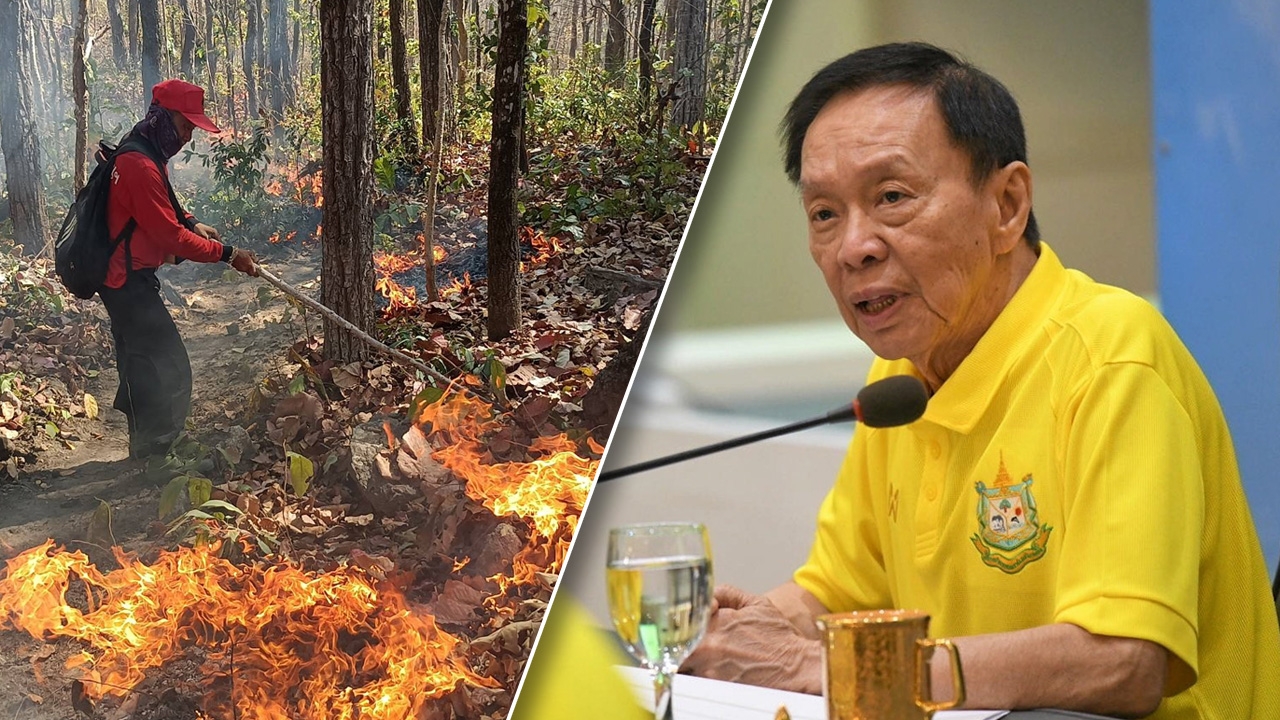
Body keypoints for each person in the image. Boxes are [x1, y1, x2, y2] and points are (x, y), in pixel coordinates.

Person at [680, 43, 1280, 719]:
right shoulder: (899, 382)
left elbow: (1122, 658)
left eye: (892, 197)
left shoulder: (1111, 356)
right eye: (824, 213)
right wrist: (741, 634)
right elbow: (836, 596)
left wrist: (813, 665)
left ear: (1006, 204)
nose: (854, 246)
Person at [100, 79, 259, 459]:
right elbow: (169, 237)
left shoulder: (142, 148)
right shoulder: (137, 163)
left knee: (141, 364)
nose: (188, 136)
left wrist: (191, 221)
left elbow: (163, 204)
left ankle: (144, 451)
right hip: (126, 281)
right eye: (185, 125)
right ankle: (161, 457)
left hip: (123, 276)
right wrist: (227, 253)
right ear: (161, 117)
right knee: (170, 368)